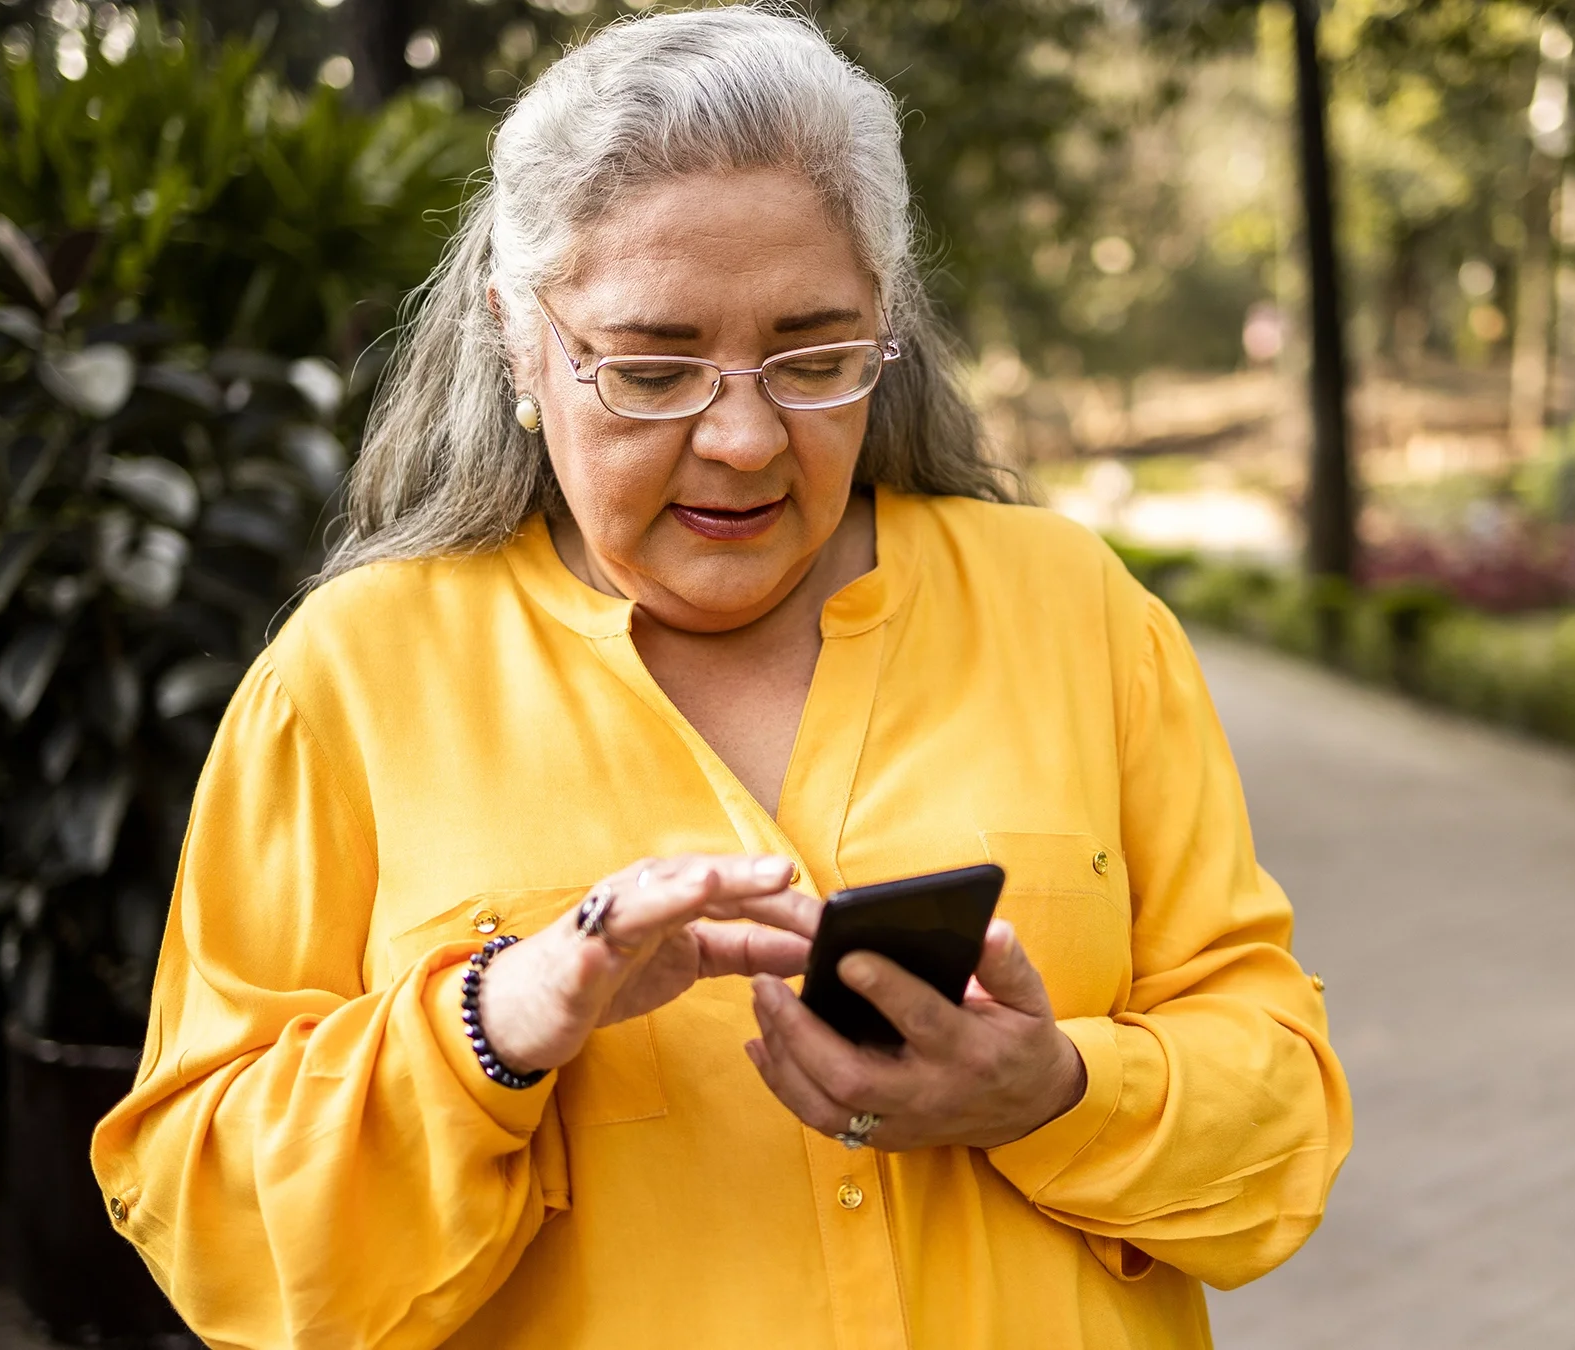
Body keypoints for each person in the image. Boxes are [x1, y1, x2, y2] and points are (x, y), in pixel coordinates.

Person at [90, 9, 1350, 1347]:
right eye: (653, 370)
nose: (744, 438)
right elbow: (210, 1219)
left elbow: (1281, 1114)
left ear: (886, 325)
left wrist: (1054, 1089)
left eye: (813, 361)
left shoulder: (1072, 608)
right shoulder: (350, 679)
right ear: (524, 344)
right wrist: (496, 1022)